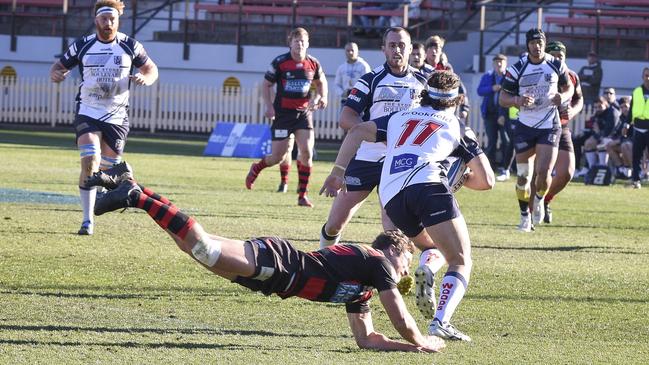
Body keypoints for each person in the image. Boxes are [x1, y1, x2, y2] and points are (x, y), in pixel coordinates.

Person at [85, 166, 445, 353]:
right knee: (204, 249)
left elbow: (366, 340)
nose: (404, 272)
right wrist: (419, 341)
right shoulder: (378, 262)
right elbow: (400, 317)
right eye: (406, 264)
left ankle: (131, 185)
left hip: (273, 281)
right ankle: (136, 196)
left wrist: (406, 349)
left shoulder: (362, 290)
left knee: (193, 247)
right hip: (281, 260)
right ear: (395, 251)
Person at [321, 70, 494, 342]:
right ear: (456, 100)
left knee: (432, 246)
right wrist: (460, 179)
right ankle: (441, 321)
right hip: (428, 187)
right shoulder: (457, 124)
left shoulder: (399, 117)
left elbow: (355, 130)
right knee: (461, 260)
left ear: (424, 94)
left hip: (392, 196)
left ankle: (422, 268)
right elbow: (487, 180)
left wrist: (338, 171)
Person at [49, 0, 158, 236]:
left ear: (118, 21)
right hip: (88, 110)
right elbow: (57, 67)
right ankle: (87, 222)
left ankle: (100, 198)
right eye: (104, 19)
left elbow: (152, 69)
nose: (108, 23)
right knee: (90, 159)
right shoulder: (82, 45)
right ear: (95, 20)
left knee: (105, 174)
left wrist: (145, 78)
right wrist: (57, 74)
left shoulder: (131, 45)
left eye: (112, 19)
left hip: (117, 116)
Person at [318, 27, 426, 249]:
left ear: (410, 49)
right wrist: (377, 134)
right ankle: (323, 262)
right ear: (383, 49)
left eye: (402, 45)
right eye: (392, 45)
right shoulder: (370, 79)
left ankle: (392, 275)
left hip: (400, 163)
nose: (397, 50)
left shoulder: (423, 83)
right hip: (366, 157)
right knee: (335, 224)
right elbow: (346, 118)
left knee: (392, 227)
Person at [499, 28, 573, 232]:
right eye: (533, 42)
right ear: (527, 45)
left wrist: (563, 97)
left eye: (540, 42)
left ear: (544, 43)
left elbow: (569, 88)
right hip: (525, 125)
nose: (537, 46)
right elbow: (502, 98)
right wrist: (517, 100)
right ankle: (525, 216)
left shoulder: (556, 64)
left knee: (543, 173)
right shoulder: (517, 68)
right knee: (523, 176)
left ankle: (539, 199)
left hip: (549, 124)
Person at [246, 27, 328, 207]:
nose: (299, 44)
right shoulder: (280, 62)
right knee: (278, 156)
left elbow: (321, 82)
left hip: (303, 113)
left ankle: (302, 195)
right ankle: (257, 167)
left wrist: (323, 97)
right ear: (290, 43)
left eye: (303, 41)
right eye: (296, 41)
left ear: (308, 44)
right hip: (283, 114)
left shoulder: (313, 63)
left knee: (306, 151)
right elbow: (266, 84)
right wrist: (269, 107)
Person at [529, 41, 583, 224]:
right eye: (555, 56)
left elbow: (579, 100)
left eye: (561, 56)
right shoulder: (540, 73)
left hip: (563, 127)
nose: (559, 59)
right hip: (541, 127)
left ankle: (545, 200)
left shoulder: (572, 76)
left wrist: (573, 111)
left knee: (567, 172)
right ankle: (528, 214)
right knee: (539, 172)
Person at [477, 54, 510, 180]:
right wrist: (492, 88)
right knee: (491, 142)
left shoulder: (509, 76)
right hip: (490, 114)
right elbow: (479, 90)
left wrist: (503, 115)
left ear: (506, 64)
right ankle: (489, 168)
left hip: (504, 115)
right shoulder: (488, 76)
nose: (499, 64)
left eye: (501, 62)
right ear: (493, 64)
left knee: (506, 142)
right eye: (497, 62)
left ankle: (504, 167)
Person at [573, 96, 619, 177]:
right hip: (601, 136)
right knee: (581, 141)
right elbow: (594, 128)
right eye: (596, 107)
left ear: (606, 104)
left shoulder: (612, 113)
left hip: (613, 138)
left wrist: (598, 134)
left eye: (600, 106)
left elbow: (609, 132)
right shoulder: (599, 113)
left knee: (598, 143)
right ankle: (589, 168)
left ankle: (602, 167)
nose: (598, 108)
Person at [627, 67, 649, 189]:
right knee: (636, 156)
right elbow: (631, 110)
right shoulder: (637, 91)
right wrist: (626, 123)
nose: (648, 78)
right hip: (638, 128)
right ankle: (636, 180)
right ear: (642, 76)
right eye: (646, 75)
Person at [334, 42, 371, 107]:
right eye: (348, 51)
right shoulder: (342, 68)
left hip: (360, 101)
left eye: (352, 50)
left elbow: (368, 84)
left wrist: (357, 93)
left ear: (357, 52)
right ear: (345, 52)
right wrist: (342, 93)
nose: (350, 53)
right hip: (345, 101)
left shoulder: (363, 66)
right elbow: (337, 84)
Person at [606, 97, 633, 179]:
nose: (624, 109)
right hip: (626, 142)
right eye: (621, 107)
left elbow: (634, 135)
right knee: (609, 145)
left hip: (636, 144)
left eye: (626, 106)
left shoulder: (634, 116)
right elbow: (617, 132)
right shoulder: (622, 118)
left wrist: (619, 140)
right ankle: (621, 169)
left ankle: (635, 169)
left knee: (625, 145)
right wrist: (612, 139)